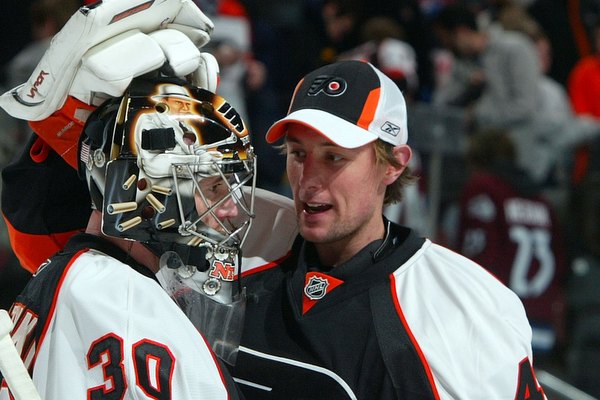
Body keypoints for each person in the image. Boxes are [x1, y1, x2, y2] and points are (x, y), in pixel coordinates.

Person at [0, 0, 296, 397]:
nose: (230, 207)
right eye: (212, 187)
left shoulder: (89, 280)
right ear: (143, 188)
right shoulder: (117, 302)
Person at [227, 59, 547, 399]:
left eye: (333, 157)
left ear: (394, 163)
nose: (308, 180)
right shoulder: (240, 234)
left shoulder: (461, 308)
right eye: (298, 153)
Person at [456, 129, 567, 361]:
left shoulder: (483, 189)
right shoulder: (542, 202)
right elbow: (559, 262)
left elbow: (474, 265)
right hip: (541, 327)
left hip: (496, 327)